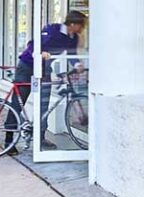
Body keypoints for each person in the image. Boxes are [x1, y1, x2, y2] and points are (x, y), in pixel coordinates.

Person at [5, 11, 87, 153]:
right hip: (27, 66)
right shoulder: (52, 29)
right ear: (73, 24)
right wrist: (39, 52)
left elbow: (72, 54)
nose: (83, 29)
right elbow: (32, 45)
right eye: (81, 25)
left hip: (44, 69)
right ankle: (8, 140)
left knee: (43, 105)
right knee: (19, 102)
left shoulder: (73, 38)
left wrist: (77, 65)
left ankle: (40, 138)